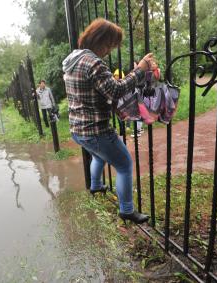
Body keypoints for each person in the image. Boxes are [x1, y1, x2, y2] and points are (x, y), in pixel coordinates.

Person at [62, 18, 157, 225]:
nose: (110, 50)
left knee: (98, 156)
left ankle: (95, 185)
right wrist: (140, 70)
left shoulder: (72, 60)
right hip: (96, 130)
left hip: (78, 130)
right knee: (124, 165)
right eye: (110, 44)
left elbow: (95, 90)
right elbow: (115, 90)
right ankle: (127, 210)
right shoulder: (93, 62)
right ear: (101, 40)